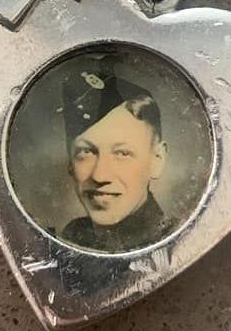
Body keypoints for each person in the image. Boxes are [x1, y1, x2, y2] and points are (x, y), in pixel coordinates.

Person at [59, 68, 173, 252]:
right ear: (70, 163)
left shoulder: (172, 244)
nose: (100, 175)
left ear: (157, 160)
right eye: (86, 151)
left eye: (122, 153)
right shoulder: (72, 236)